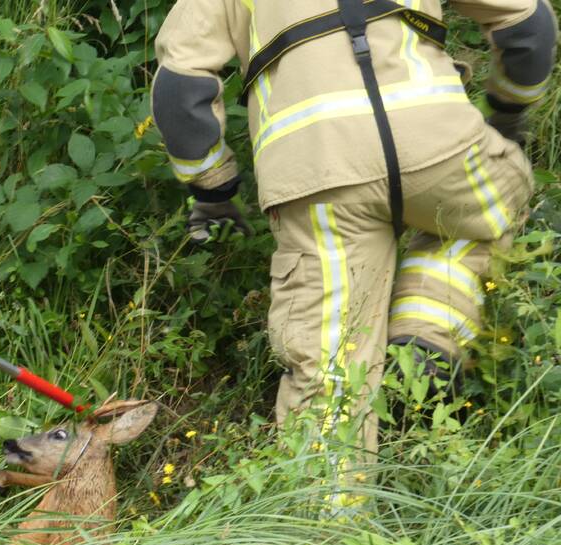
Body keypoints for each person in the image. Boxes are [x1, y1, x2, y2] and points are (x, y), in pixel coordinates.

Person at [152, 1, 556, 510]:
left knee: (330, 369)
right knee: (496, 204)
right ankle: (429, 330)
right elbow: (528, 25)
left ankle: (328, 543)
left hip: (317, 170)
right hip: (437, 142)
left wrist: (212, 189)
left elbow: (180, 85)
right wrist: (508, 111)